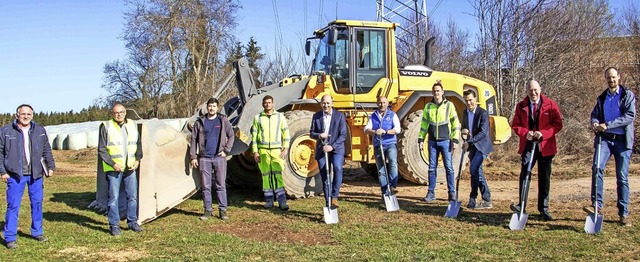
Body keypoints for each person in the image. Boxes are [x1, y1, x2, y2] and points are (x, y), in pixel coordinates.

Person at [0, 104, 55, 249]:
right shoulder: (6, 131)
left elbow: (46, 149)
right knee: (13, 205)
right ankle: (10, 237)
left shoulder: (39, 130)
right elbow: (0, 152)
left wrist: (50, 166)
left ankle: (37, 232)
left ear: (32, 115)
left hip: (35, 175)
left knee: (37, 203)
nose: (26, 117)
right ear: (17, 115)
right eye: (23, 114)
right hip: (15, 175)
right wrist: (2, 171)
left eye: (29, 114)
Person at [587, 67, 636, 227]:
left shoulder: (627, 95)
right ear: (605, 79)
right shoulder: (602, 97)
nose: (611, 80)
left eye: (614, 77)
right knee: (597, 168)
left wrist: (607, 125)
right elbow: (595, 114)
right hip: (605, 140)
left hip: (622, 141)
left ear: (619, 77)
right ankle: (597, 206)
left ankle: (624, 213)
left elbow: (629, 116)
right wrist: (595, 122)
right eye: (608, 78)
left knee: (622, 176)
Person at [510, 80, 563, 221]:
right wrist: (525, 133)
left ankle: (543, 209)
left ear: (540, 89)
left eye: (535, 90)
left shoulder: (550, 104)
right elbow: (515, 125)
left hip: (545, 146)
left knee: (544, 176)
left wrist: (544, 134)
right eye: (530, 90)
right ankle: (521, 206)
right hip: (528, 145)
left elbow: (558, 124)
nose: (533, 93)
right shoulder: (521, 106)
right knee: (525, 173)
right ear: (526, 91)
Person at [98, 103, 143, 236]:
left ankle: (132, 222)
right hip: (114, 169)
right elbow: (102, 149)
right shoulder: (106, 127)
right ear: (113, 114)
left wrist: (137, 159)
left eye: (121, 112)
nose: (119, 114)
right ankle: (114, 225)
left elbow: (138, 144)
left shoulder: (133, 125)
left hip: (130, 167)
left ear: (125, 113)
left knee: (133, 196)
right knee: (113, 198)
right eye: (116, 113)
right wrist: (113, 164)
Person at [190, 98, 235, 221]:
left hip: (219, 158)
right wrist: (193, 156)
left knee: (221, 185)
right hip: (204, 158)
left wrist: (226, 151)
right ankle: (207, 210)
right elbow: (193, 140)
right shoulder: (200, 122)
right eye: (210, 106)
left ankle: (223, 210)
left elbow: (231, 135)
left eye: (214, 106)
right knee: (206, 186)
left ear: (217, 107)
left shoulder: (222, 120)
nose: (211, 108)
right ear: (207, 107)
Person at [418, 81, 460, 202]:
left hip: (446, 141)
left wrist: (455, 139)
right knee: (432, 168)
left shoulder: (449, 105)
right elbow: (424, 125)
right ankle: (431, 193)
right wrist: (421, 139)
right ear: (432, 92)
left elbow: (455, 123)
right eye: (434, 91)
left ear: (442, 92)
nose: (436, 93)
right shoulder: (428, 106)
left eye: (438, 91)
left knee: (449, 167)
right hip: (432, 142)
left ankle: (451, 193)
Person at [251, 95, 290, 210]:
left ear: (273, 104)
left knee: (278, 175)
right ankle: (269, 200)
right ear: (263, 104)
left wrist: (285, 148)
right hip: (263, 151)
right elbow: (254, 137)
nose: (268, 104)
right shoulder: (257, 118)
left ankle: (282, 201)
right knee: (266, 176)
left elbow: (286, 134)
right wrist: (255, 152)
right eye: (265, 103)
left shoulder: (280, 117)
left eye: (269, 102)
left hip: (276, 151)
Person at [310, 95, 347, 207]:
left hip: (336, 149)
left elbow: (343, 135)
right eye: (324, 103)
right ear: (321, 104)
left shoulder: (339, 116)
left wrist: (332, 146)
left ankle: (334, 196)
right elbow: (311, 133)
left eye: (328, 103)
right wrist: (320, 135)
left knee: (337, 168)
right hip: (322, 149)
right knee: (325, 176)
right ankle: (328, 202)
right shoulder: (316, 116)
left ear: (332, 103)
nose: (326, 105)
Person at [461, 90, 494, 209]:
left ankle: (473, 197)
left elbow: (483, 132)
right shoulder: (465, 113)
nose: (469, 103)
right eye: (466, 101)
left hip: (482, 146)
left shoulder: (483, 113)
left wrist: (470, 141)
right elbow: (464, 129)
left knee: (474, 168)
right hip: (472, 147)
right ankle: (486, 199)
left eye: (470, 100)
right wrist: (464, 136)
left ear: (476, 99)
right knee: (477, 171)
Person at [364, 96, 400, 198]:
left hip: (390, 143)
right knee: (381, 169)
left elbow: (397, 129)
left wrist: (386, 131)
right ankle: (384, 191)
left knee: (392, 161)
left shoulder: (392, 115)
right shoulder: (373, 116)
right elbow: (366, 129)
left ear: (387, 103)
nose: (382, 104)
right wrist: (375, 132)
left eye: (384, 103)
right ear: (377, 103)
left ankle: (393, 186)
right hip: (378, 145)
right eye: (380, 103)